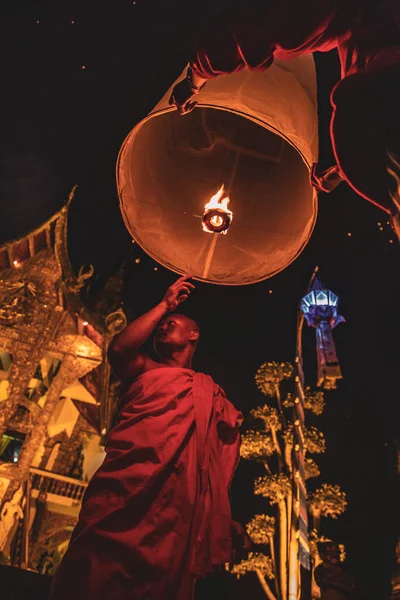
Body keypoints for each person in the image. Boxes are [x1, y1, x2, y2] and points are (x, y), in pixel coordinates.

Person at [49, 276, 244, 600]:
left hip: (175, 503)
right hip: (124, 485)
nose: (161, 328)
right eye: (160, 325)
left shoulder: (207, 393)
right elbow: (120, 348)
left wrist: (217, 512)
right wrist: (165, 304)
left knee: (161, 574)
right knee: (94, 561)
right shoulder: (144, 368)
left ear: (193, 335)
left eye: (171, 323)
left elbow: (214, 455)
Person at [170, 0, 400, 234]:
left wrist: (345, 169)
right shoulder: (379, 21)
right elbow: (262, 24)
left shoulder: (374, 38)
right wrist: (197, 77)